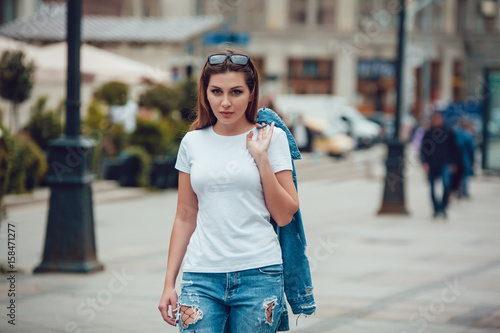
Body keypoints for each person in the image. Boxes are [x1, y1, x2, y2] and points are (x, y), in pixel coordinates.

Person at [158, 52, 299, 332]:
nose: (225, 102)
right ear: (205, 93)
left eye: (236, 92)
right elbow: (186, 215)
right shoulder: (192, 142)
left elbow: (284, 215)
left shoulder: (272, 138)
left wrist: (261, 158)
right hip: (200, 277)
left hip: (258, 274)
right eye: (216, 91)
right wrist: (168, 283)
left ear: (251, 94)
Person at [420, 112, 460, 219]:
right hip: (432, 163)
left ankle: (443, 207)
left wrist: (454, 163)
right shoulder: (428, 133)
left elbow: (454, 149)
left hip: (445, 162)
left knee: (446, 185)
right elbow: (423, 149)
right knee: (432, 188)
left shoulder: (448, 132)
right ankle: (435, 208)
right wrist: (424, 162)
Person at [454, 118, 476, 198]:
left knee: (457, 175)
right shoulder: (468, 135)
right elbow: (472, 149)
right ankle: (464, 191)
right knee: (465, 176)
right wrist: (473, 161)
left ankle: (457, 190)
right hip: (465, 158)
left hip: (456, 158)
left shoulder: (455, 133)